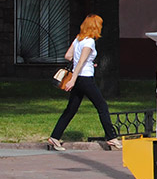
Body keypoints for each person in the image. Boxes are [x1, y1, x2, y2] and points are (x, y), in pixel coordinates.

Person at [48, 14, 121, 151]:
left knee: (71, 109)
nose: (101, 28)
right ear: (95, 26)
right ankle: (111, 137)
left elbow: (68, 56)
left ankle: (54, 137)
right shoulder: (90, 42)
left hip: (79, 78)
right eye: (100, 25)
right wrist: (73, 79)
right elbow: (81, 62)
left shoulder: (78, 39)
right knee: (102, 106)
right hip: (85, 78)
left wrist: (88, 63)